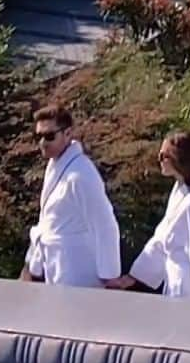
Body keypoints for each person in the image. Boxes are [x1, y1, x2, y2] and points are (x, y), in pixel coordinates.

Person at [106, 130, 190, 301]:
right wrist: (133, 278)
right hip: (175, 288)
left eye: (164, 156)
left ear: (180, 159)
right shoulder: (179, 192)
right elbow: (161, 240)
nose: (159, 160)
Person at [20, 104, 121, 289]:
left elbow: (105, 224)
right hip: (55, 267)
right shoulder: (55, 165)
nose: (43, 142)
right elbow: (46, 222)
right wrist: (31, 265)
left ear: (67, 134)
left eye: (49, 136)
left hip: (78, 271)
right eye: (38, 136)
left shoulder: (81, 174)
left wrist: (110, 276)